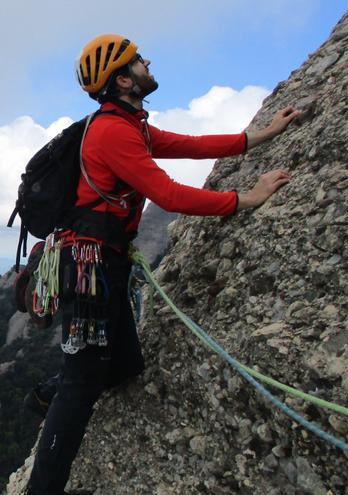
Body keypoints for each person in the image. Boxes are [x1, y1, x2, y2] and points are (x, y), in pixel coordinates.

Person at [25, 34, 299, 494]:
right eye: (137, 61)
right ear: (122, 80)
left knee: (126, 365)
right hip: (89, 267)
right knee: (82, 388)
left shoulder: (131, 125)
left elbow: (189, 144)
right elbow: (168, 194)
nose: (147, 63)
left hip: (104, 264)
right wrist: (246, 198)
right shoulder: (113, 132)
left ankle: (57, 385)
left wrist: (262, 135)